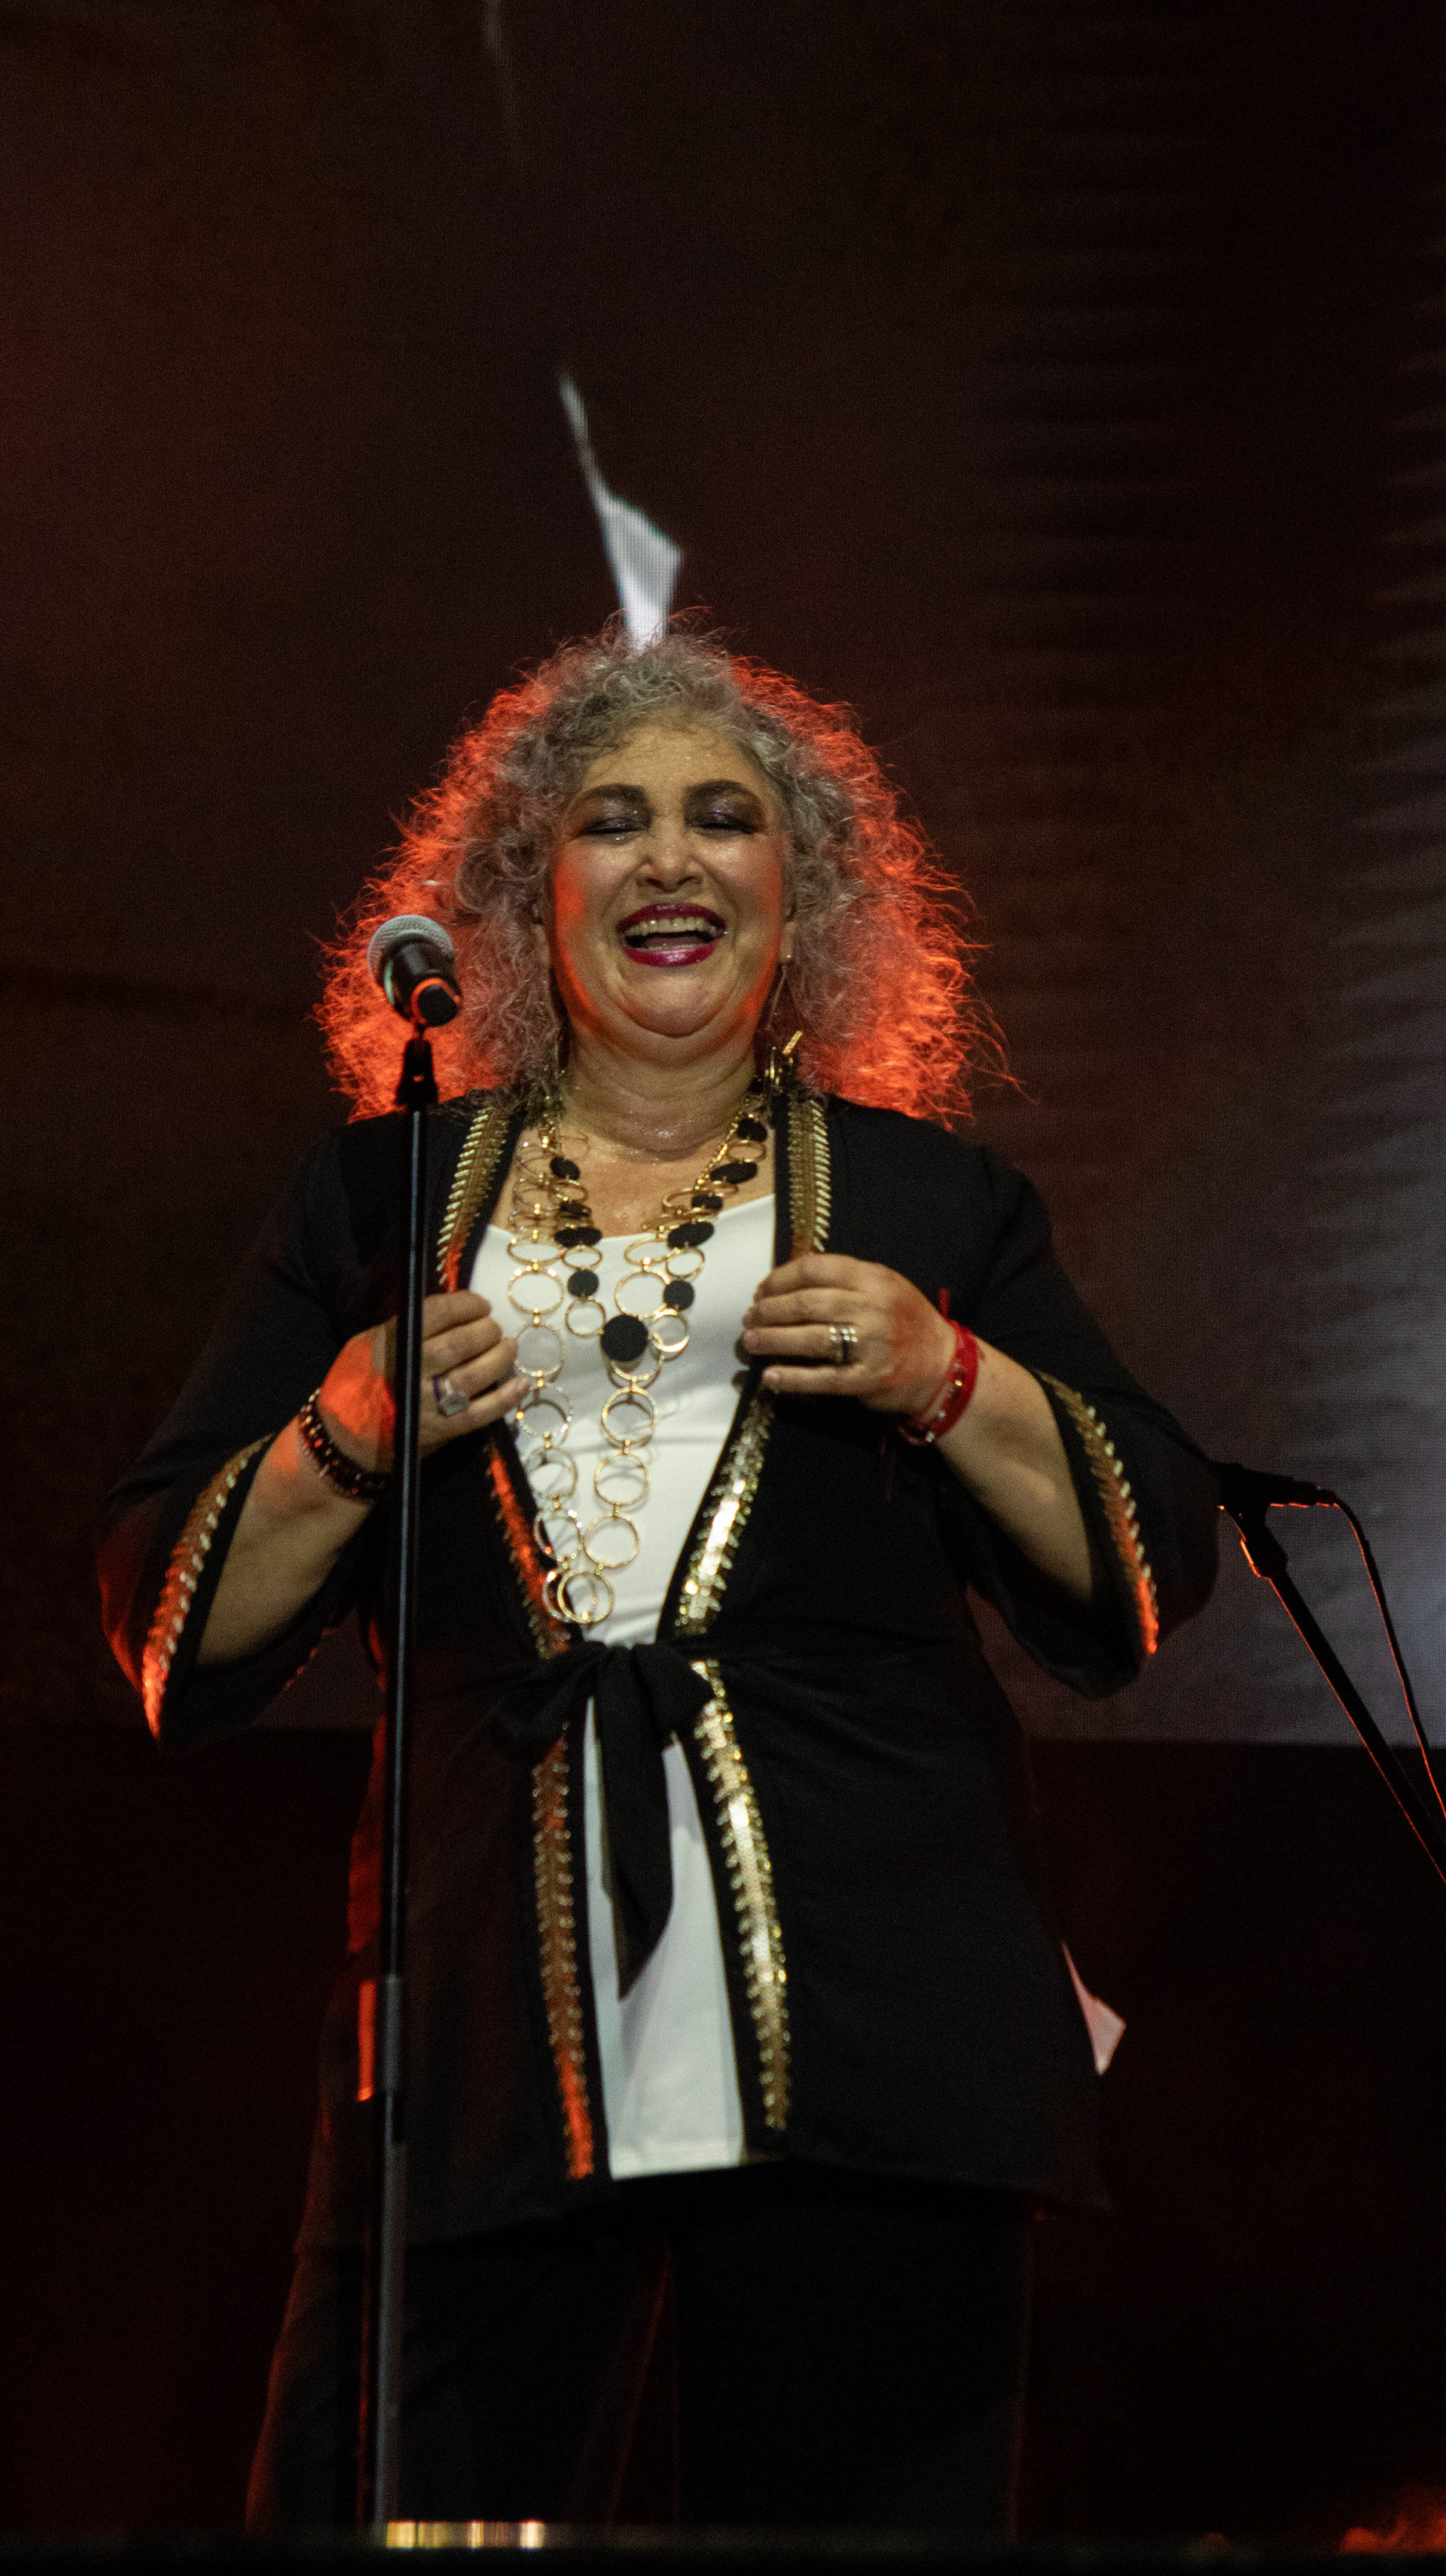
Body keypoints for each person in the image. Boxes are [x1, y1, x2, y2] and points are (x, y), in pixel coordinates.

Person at [98, 624, 1218, 2533]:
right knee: (397, 2511)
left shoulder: (928, 1201)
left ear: (806, 894)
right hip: (479, 2018)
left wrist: (950, 1374)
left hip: (872, 2000)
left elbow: (1148, 1557)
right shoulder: (380, 1199)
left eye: (725, 818)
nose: (672, 859)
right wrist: (347, 1428)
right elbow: (167, 1621)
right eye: (613, 821)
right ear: (528, 893)